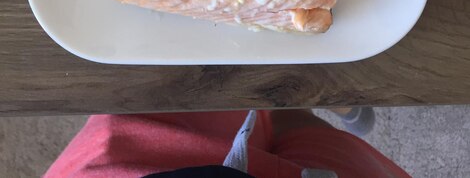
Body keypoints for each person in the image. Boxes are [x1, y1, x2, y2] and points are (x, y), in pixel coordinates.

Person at [44, 108, 411, 178]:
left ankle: (288, 96)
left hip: (142, 159)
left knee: (194, 89)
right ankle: (306, 98)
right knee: (309, 139)